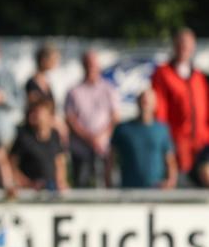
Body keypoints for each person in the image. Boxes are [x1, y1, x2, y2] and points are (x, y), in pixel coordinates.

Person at [152, 28, 209, 185]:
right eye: (181, 43)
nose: (184, 48)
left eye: (188, 44)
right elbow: (160, 113)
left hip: (202, 145)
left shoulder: (199, 77)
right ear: (174, 45)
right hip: (177, 146)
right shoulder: (163, 74)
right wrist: (167, 144)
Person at [65, 50, 120, 187]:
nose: (91, 67)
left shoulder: (109, 89)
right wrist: (89, 138)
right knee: (82, 183)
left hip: (104, 148)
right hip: (81, 148)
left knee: (106, 184)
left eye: (93, 64)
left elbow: (115, 117)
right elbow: (70, 119)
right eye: (87, 64)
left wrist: (101, 136)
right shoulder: (74, 91)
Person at [109, 90, 176, 189]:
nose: (145, 103)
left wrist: (170, 182)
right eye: (143, 100)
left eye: (148, 101)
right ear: (137, 102)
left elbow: (170, 160)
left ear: (154, 104)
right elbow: (111, 158)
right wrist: (109, 184)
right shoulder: (122, 129)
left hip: (156, 191)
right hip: (128, 191)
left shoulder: (162, 130)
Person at [11, 96, 68, 191]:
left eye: (39, 112)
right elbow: (11, 164)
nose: (34, 116)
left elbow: (59, 161)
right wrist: (28, 184)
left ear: (49, 116)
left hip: (52, 190)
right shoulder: (23, 136)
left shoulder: (55, 136)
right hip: (30, 191)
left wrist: (61, 182)